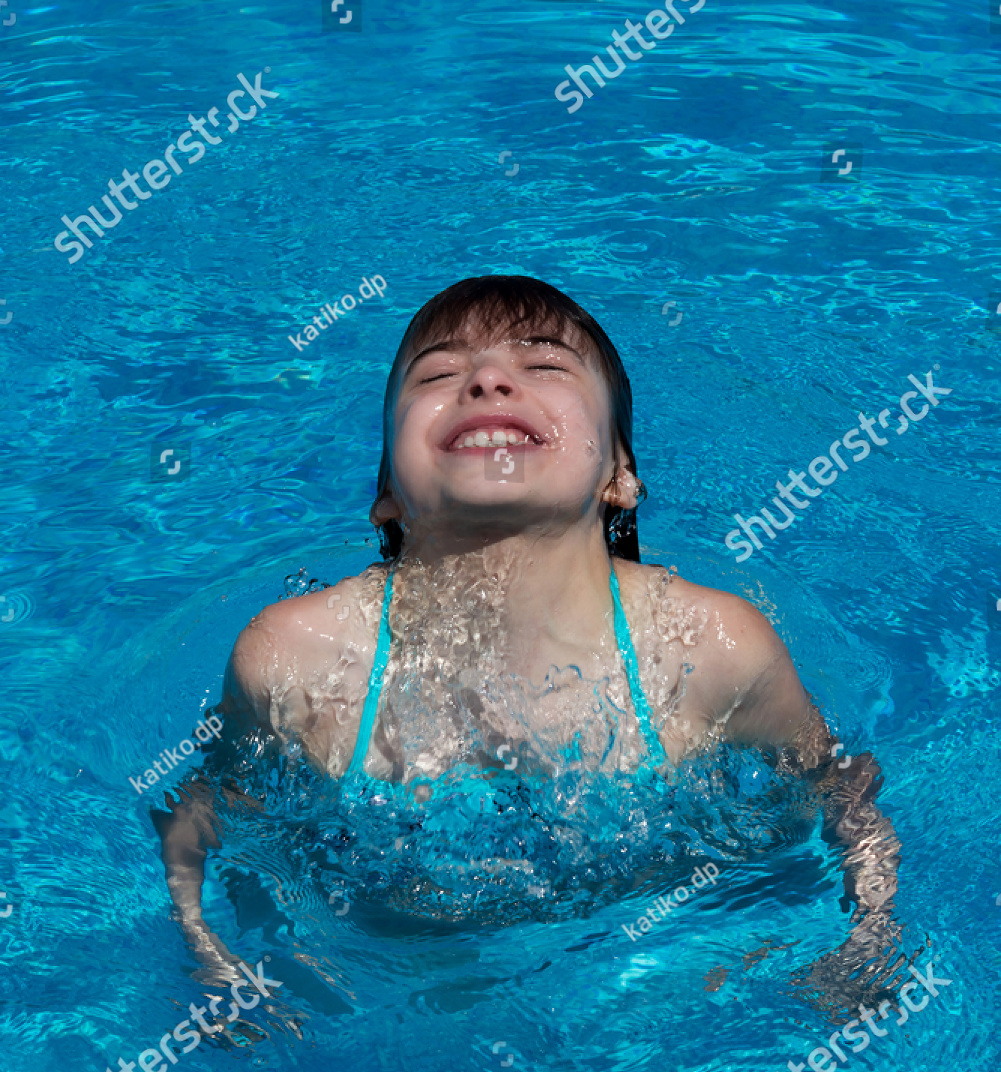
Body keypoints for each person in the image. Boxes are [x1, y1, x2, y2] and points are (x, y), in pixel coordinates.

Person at [154, 275, 905, 1010]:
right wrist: (208, 952)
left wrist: (865, 936)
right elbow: (216, 805)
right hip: (390, 973)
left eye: (542, 365)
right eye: (440, 373)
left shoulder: (708, 648)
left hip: (644, 970)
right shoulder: (295, 656)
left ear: (619, 474)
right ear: (386, 489)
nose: (486, 380)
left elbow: (832, 784)